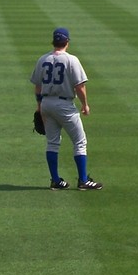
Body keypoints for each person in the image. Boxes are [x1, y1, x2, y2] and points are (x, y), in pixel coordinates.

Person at [30, 27, 102, 190]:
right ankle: (83, 180)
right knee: (80, 141)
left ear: (53, 42)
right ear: (67, 42)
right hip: (65, 106)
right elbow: (80, 86)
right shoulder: (72, 60)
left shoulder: (43, 59)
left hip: (47, 104)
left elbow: (37, 87)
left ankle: (56, 180)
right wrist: (85, 105)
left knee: (52, 143)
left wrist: (39, 106)